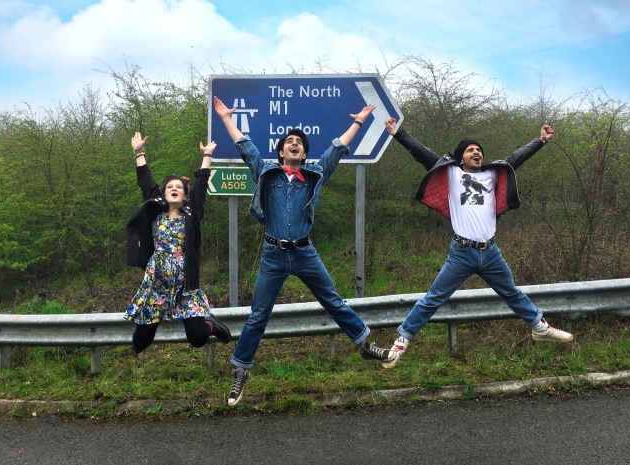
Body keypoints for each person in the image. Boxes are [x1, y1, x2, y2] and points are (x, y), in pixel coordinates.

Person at [213, 96, 393, 406]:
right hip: (273, 255)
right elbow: (245, 146)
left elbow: (336, 150)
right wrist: (227, 117)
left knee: (333, 301)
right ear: (281, 151)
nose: (295, 144)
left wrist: (359, 121)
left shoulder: (314, 175)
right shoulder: (266, 173)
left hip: (304, 252)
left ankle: (363, 344)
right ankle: (241, 370)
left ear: (304, 153)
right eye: (289, 142)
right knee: (258, 316)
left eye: (300, 142)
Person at [381, 118, 574, 369]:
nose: (477, 152)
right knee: (433, 299)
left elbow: (517, 158)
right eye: (471, 149)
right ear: (461, 158)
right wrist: (398, 134)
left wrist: (540, 141)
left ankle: (539, 328)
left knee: (511, 292)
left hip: (491, 252)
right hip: (461, 253)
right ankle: (401, 343)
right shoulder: (451, 173)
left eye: (479, 150)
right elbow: (423, 154)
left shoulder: (493, 174)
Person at [124, 132, 231, 354]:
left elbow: (202, 184)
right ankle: (144, 333)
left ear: (185, 195)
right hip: (157, 282)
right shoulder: (155, 211)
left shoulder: (192, 213)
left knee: (198, 338)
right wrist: (138, 152)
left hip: (185, 283)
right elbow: (145, 181)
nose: (174, 188)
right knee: (140, 342)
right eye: (170, 186)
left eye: (179, 187)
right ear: (163, 193)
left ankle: (210, 323)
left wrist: (207, 155)